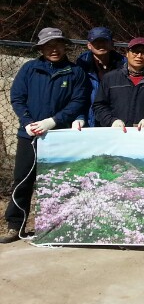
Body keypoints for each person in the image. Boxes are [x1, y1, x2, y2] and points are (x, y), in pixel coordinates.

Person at [2, 28, 89, 244]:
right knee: (23, 180)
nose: (54, 49)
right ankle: (15, 225)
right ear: (40, 48)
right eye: (48, 45)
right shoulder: (29, 69)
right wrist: (27, 122)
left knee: (60, 182)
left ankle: (58, 227)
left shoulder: (75, 72)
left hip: (60, 136)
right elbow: (17, 97)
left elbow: (78, 101)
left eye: (58, 44)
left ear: (64, 46)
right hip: (29, 135)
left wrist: (54, 121)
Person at [93, 37, 144, 129]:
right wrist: (111, 121)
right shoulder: (110, 78)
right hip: (115, 132)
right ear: (127, 53)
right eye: (135, 52)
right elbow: (99, 105)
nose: (139, 56)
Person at [75, 26, 124, 127]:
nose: (101, 45)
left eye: (105, 41)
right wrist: (79, 118)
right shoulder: (81, 66)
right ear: (89, 45)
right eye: (96, 42)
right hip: (88, 120)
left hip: (116, 121)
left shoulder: (123, 65)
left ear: (112, 44)